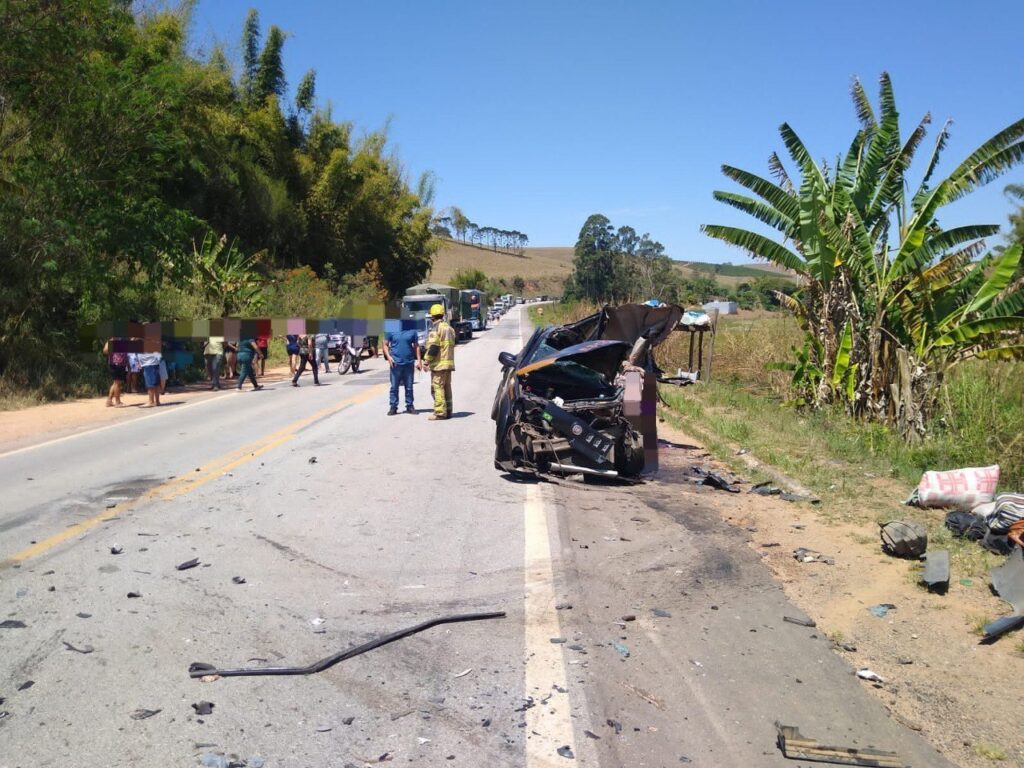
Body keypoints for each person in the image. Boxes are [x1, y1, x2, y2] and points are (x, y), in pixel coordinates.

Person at [423, 303, 456, 421]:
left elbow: (433, 347)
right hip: (448, 364)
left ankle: (440, 413)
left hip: (439, 365)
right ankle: (449, 411)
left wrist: (426, 361)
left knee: (437, 387)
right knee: (447, 387)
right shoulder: (449, 328)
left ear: (432, 317)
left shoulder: (436, 329)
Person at [383, 322, 421, 415]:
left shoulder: (412, 330)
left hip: (409, 363)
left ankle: (410, 406)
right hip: (395, 364)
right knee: (394, 387)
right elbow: (385, 344)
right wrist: (389, 357)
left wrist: (419, 360)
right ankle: (393, 407)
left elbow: (416, 346)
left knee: (409, 387)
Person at [103, 337, 127, 407]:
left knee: (115, 383)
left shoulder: (122, 339)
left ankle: (109, 400)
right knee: (117, 383)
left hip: (121, 363)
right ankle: (117, 402)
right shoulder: (113, 339)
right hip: (115, 364)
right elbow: (105, 350)